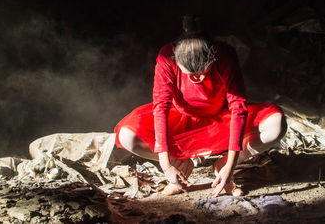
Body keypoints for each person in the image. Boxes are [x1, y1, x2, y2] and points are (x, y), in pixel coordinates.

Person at [114, 15, 286, 197]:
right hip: (179, 119)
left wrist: (230, 165)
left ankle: (221, 166)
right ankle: (180, 163)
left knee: (276, 125)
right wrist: (166, 165)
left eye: (203, 73)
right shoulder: (166, 56)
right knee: (127, 136)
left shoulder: (225, 54)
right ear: (176, 60)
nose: (197, 79)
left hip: (220, 118)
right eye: (190, 74)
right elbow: (161, 108)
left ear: (213, 58)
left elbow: (238, 107)